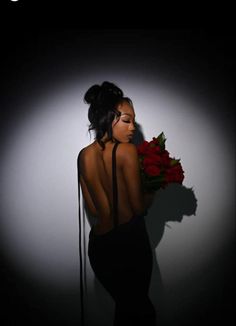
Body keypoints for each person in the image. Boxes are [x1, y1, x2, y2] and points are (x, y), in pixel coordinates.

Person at [77, 81, 156, 326]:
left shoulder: (83, 155)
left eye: (133, 121)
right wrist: (155, 185)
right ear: (108, 118)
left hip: (99, 248)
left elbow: (92, 209)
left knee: (125, 310)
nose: (132, 127)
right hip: (129, 243)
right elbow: (139, 208)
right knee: (141, 313)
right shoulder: (127, 152)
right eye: (126, 120)